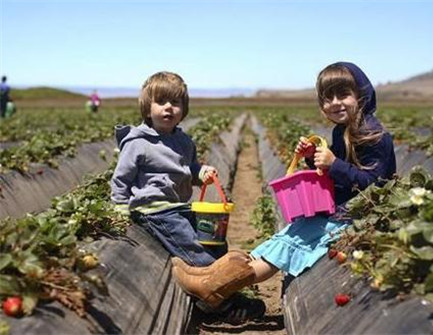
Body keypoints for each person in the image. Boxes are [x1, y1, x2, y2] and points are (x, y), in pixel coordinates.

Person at [171, 61, 397, 311]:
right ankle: (207, 276)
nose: (335, 102)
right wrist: (313, 157)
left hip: (355, 218)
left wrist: (334, 165)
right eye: (327, 97)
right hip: (337, 211)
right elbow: (334, 177)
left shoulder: (374, 136)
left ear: (362, 95)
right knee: (280, 239)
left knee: (286, 247)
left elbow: (373, 185)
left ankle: (214, 288)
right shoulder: (339, 132)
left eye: (343, 94)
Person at [110, 71, 265, 323]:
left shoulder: (183, 140)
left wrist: (200, 172)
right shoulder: (136, 143)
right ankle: (219, 306)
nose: (169, 108)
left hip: (180, 206)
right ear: (147, 109)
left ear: (184, 108)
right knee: (193, 250)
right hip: (154, 210)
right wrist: (119, 206)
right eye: (161, 102)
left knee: (213, 242)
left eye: (176, 102)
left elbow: (188, 169)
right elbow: (121, 178)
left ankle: (222, 288)